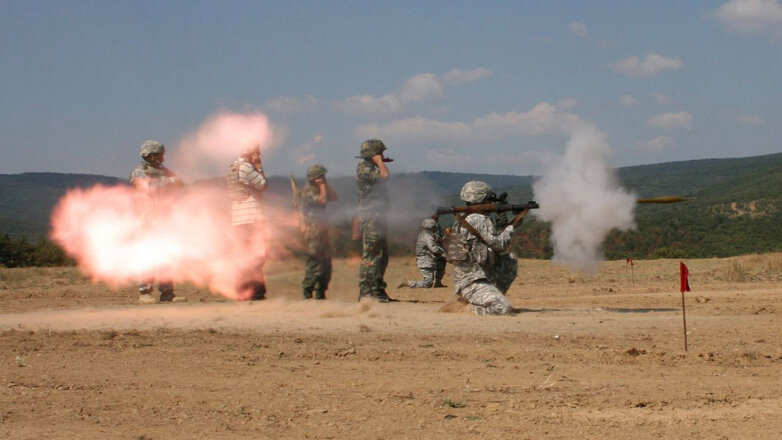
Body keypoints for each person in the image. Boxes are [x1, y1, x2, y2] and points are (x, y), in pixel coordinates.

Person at [447, 181, 528, 315]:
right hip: (473, 279)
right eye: (489, 199)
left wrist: (501, 226)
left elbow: (489, 242)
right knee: (502, 308)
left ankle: (489, 295)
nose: (491, 202)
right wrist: (510, 227)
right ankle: (466, 308)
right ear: (481, 198)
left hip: (478, 275)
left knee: (510, 259)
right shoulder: (478, 219)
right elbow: (500, 245)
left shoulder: (464, 217)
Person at [129, 140, 186, 304]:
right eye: (158, 155)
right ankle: (145, 292)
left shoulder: (165, 172)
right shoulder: (140, 172)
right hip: (146, 219)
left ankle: (167, 292)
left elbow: (178, 185)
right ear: (149, 155)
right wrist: (169, 184)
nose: (161, 158)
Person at [227, 140, 268, 301]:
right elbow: (262, 184)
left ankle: (242, 291)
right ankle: (256, 292)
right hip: (252, 216)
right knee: (257, 255)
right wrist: (259, 166)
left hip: (238, 217)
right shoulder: (246, 166)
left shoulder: (233, 166)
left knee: (243, 256)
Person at [355, 139, 393, 302]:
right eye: (380, 153)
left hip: (377, 217)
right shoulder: (364, 169)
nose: (383, 156)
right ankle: (366, 294)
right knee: (371, 256)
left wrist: (378, 161)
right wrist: (379, 161)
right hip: (371, 218)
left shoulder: (369, 167)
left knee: (381, 255)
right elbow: (385, 176)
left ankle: (377, 291)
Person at [298, 164, 338, 300]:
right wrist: (321, 186)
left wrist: (325, 185)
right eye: (321, 176)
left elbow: (334, 197)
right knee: (315, 260)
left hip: (322, 229)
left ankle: (321, 291)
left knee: (326, 261)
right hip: (313, 229)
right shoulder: (308, 190)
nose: (324, 178)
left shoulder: (320, 189)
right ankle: (307, 291)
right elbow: (321, 201)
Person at [398, 218, 445, 289]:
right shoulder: (428, 236)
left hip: (427, 258)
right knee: (428, 283)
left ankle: (438, 282)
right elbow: (434, 249)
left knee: (442, 260)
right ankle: (408, 283)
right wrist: (443, 251)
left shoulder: (423, 234)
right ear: (431, 226)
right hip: (425, 260)